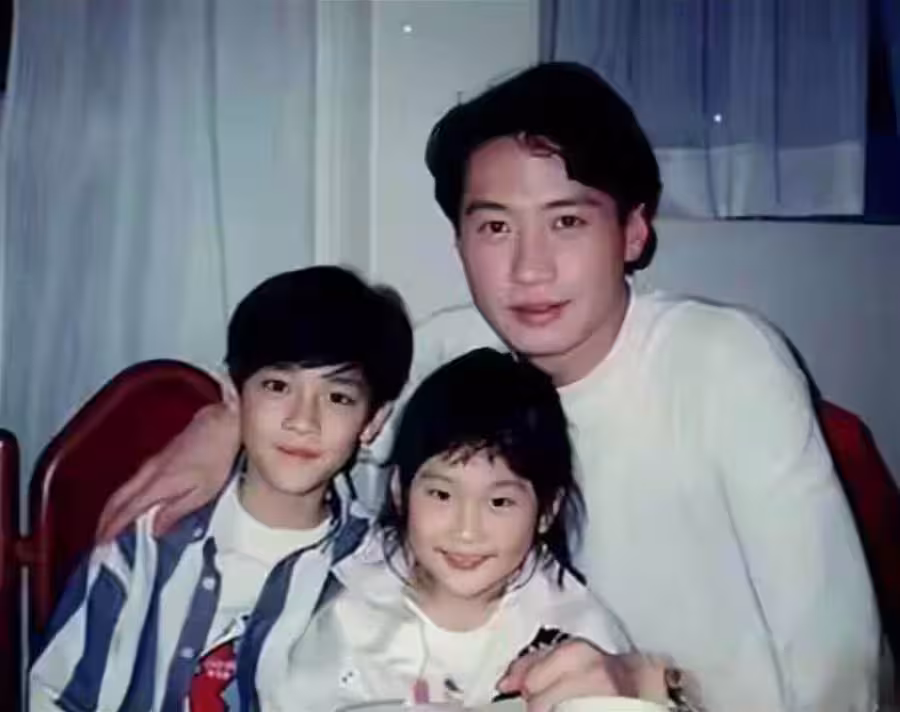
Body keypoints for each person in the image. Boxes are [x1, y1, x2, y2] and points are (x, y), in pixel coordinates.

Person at [97, 62, 880, 711]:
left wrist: (653, 685)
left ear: (634, 230)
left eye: (568, 222)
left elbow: (844, 669)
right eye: (496, 226)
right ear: (460, 241)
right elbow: (319, 405)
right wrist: (222, 425)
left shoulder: (726, 364)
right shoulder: (452, 353)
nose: (529, 268)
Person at [30, 266, 413, 711]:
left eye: (338, 397)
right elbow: (56, 696)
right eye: (277, 386)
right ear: (232, 395)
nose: (302, 420)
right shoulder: (148, 542)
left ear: (373, 421)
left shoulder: (377, 573)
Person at [268, 348, 672, 712]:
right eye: (442, 495)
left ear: (547, 510)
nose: (466, 531)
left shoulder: (579, 635)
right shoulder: (345, 608)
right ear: (400, 493)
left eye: (499, 502)